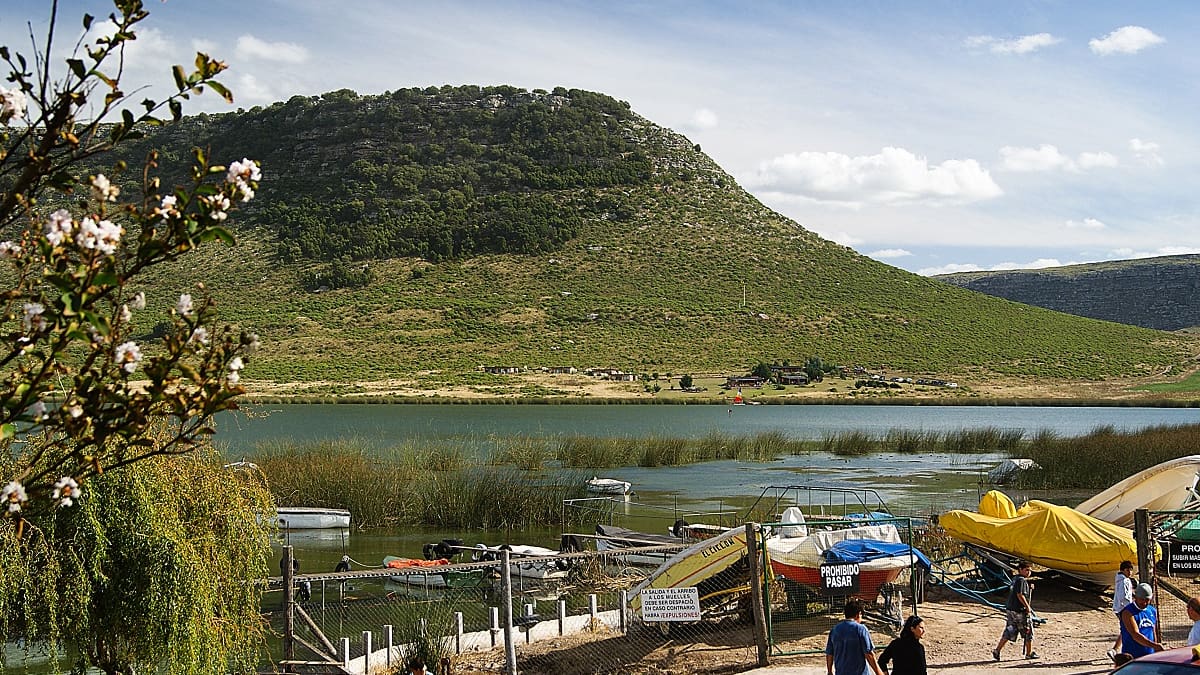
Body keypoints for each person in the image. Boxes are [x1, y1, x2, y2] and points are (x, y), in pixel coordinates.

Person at [826, 598, 884, 675]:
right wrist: (879, 672)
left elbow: (829, 654)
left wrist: (830, 671)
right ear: (858, 614)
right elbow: (869, 654)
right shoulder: (860, 629)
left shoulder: (834, 630)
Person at [993, 560, 1037, 661]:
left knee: (1010, 630)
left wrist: (1029, 587)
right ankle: (1029, 653)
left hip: (1010, 609)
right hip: (1019, 611)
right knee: (1028, 631)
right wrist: (1027, 607)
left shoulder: (1015, 579)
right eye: (1026, 570)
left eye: (1029, 570)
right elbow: (1020, 594)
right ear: (1020, 569)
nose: (1028, 572)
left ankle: (997, 650)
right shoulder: (1021, 580)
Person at [1119, 582, 1163, 659]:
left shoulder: (1152, 610)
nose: (1144, 602)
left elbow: (1153, 631)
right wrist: (1155, 646)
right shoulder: (1128, 612)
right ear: (1135, 597)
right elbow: (1135, 635)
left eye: (1147, 600)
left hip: (1149, 655)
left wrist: (1155, 648)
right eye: (1142, 599)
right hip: (1132, 656)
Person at [1108, 560, 1135, 661]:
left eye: (1130, 570)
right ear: (1123, 570)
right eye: (1127, 570)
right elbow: (1123, 597)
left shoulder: (1121, 579)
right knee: (1127, 629)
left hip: (1120, 608)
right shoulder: (1124, 581)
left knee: (1126, 629)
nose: (1129, 572)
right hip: (1123, 609)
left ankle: (1115, 649)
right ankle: (1116, 650)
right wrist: (1131, 607)